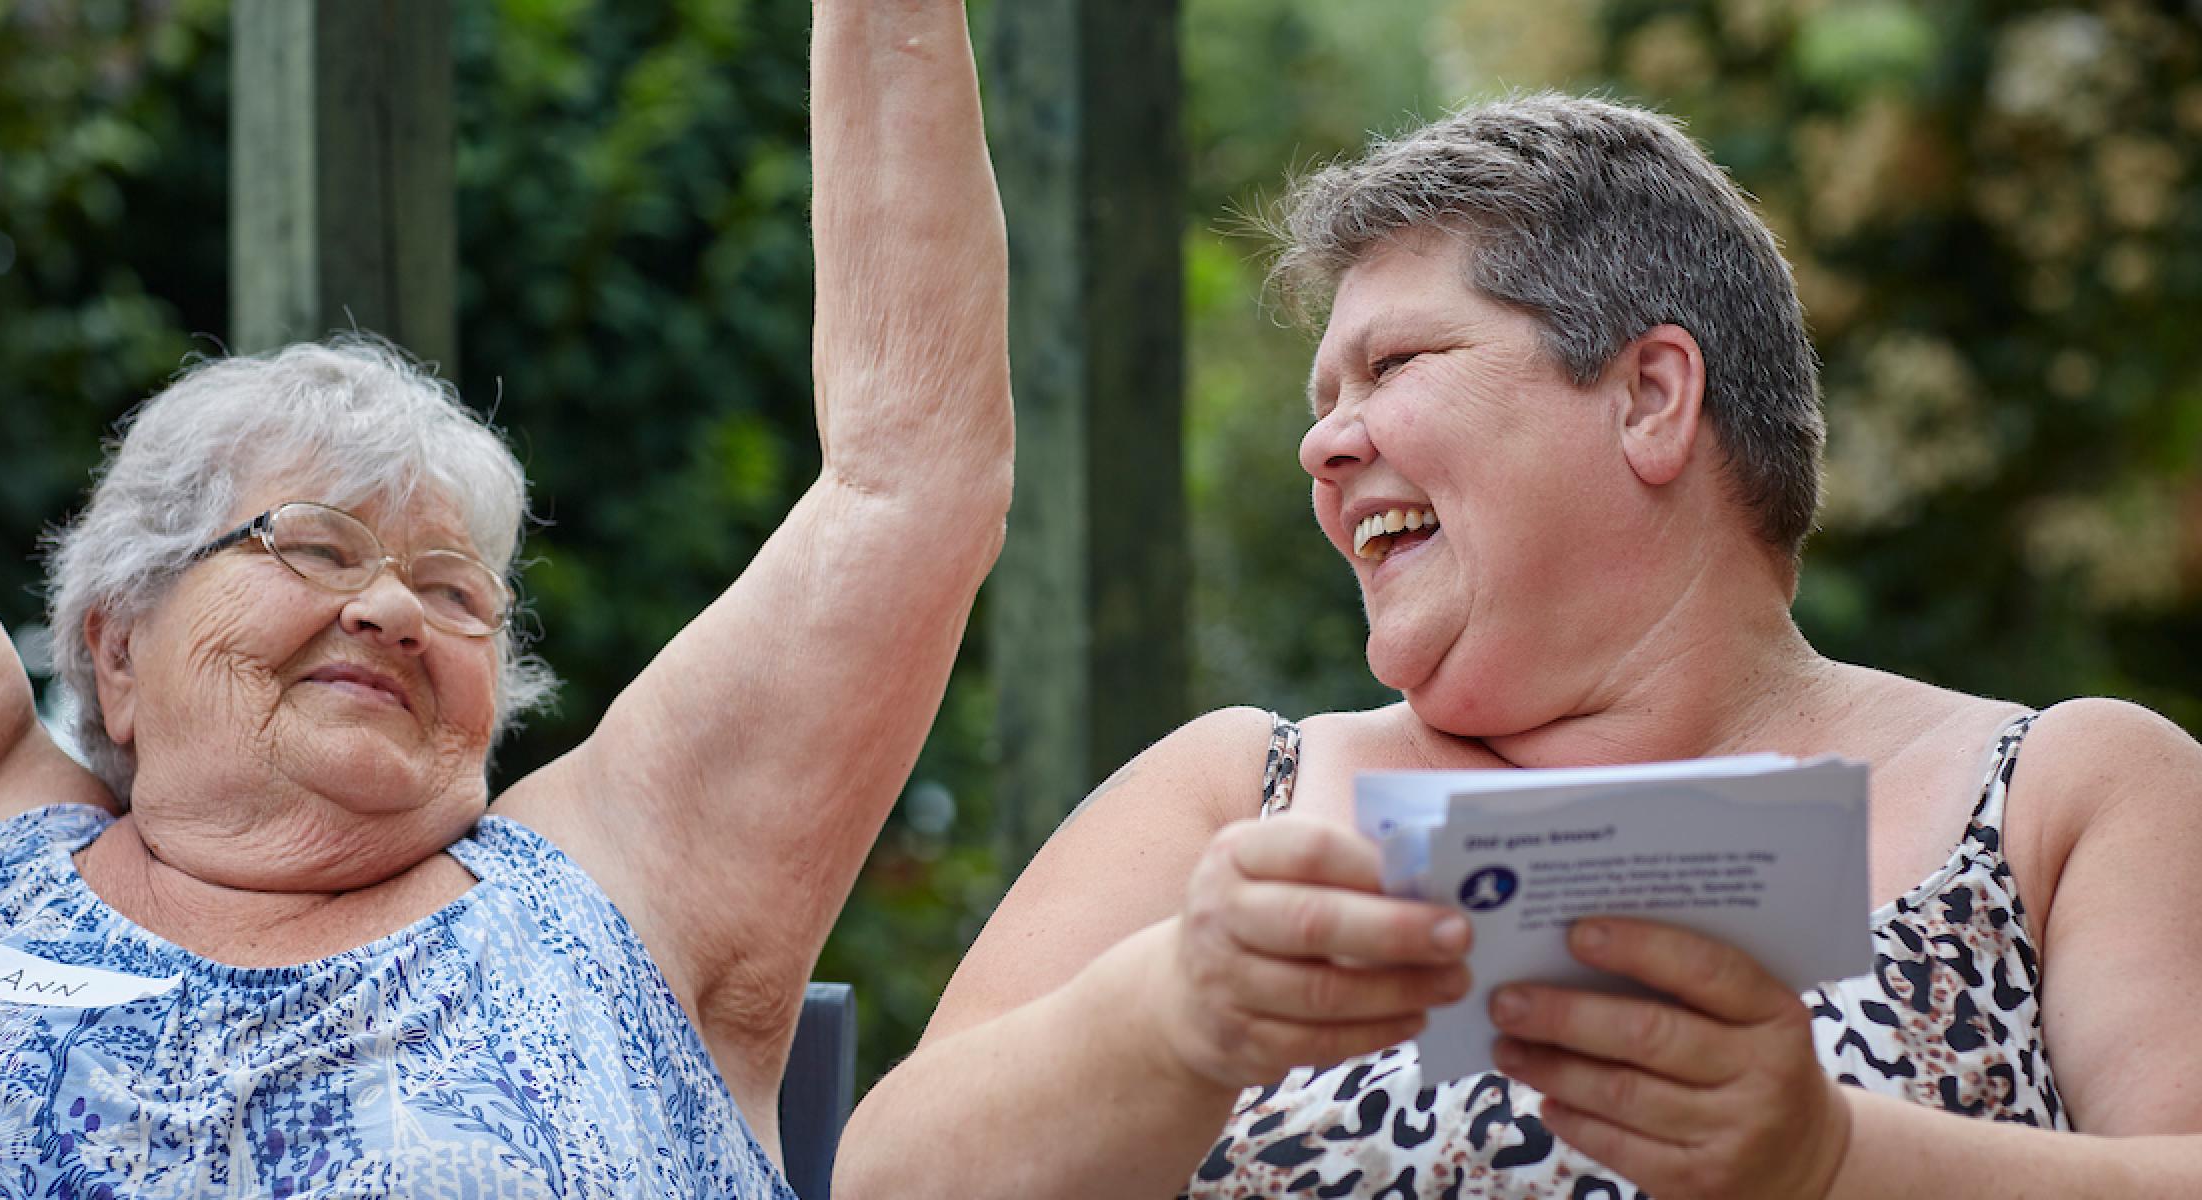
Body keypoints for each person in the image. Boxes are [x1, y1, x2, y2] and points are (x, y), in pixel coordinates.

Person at [837, 94, 2202, 1198]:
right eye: (1322, 397)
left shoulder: (2061, 796)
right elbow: (883, 1181)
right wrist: (1171, 1019)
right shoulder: (1235, 792)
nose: (1322, 445)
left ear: (1651, 397)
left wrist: (1833, 1164)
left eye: (1392, 367)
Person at [0, 1, 1007, 1195]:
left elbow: (910, 484)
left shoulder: (624, 897)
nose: (392, 612)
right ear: (119, 647)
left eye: (452, 590)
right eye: (314, 548)